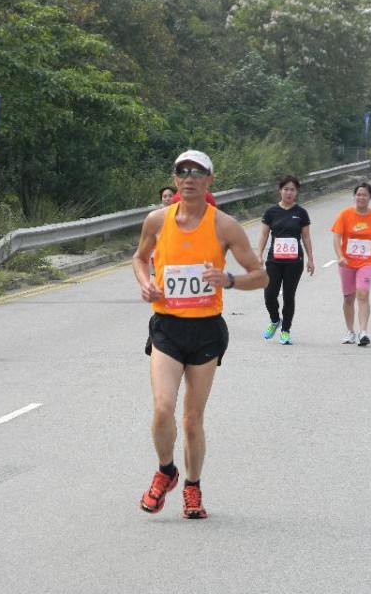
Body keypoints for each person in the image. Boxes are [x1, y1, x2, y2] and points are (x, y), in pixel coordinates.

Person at [132, 150, 268, 519]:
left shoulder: (224, 225)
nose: (189, 177)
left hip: (206, 329)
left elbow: (261, 276)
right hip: (167, 326)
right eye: (182, 171)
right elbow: (140, 258)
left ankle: (192, 486)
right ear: (174, 179)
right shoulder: (157, 220)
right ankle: (166, 471)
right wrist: (146, 283)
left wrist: (230, 279)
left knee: (192, 419)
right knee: (162, 408)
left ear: (209, 179)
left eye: (197, 172)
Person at [257, 174, 315, 345]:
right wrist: (258, 255)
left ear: (296, 192)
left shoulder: (301, 213)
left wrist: (311, 259)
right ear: (280, 190)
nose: (289, 193)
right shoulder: (271, 212)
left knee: (289, 296)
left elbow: (306, 237)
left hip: (294, 261)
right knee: (269, 294)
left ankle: (285, 330)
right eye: (286, 189)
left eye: (292, 190)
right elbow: (263, 235)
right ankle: (275, 320)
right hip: (274, 260)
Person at [331, 182, 371, 346]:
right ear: (354, 196)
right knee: (348, 297)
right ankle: (351, 331)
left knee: (363, 294)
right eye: (358, 194)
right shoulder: (345, 214)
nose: (361, 197)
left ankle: (363, 332)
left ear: (370, 197)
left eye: (364, 195)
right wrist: (340, 256)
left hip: (367, 262)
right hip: (347, 262)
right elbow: (336, 237)